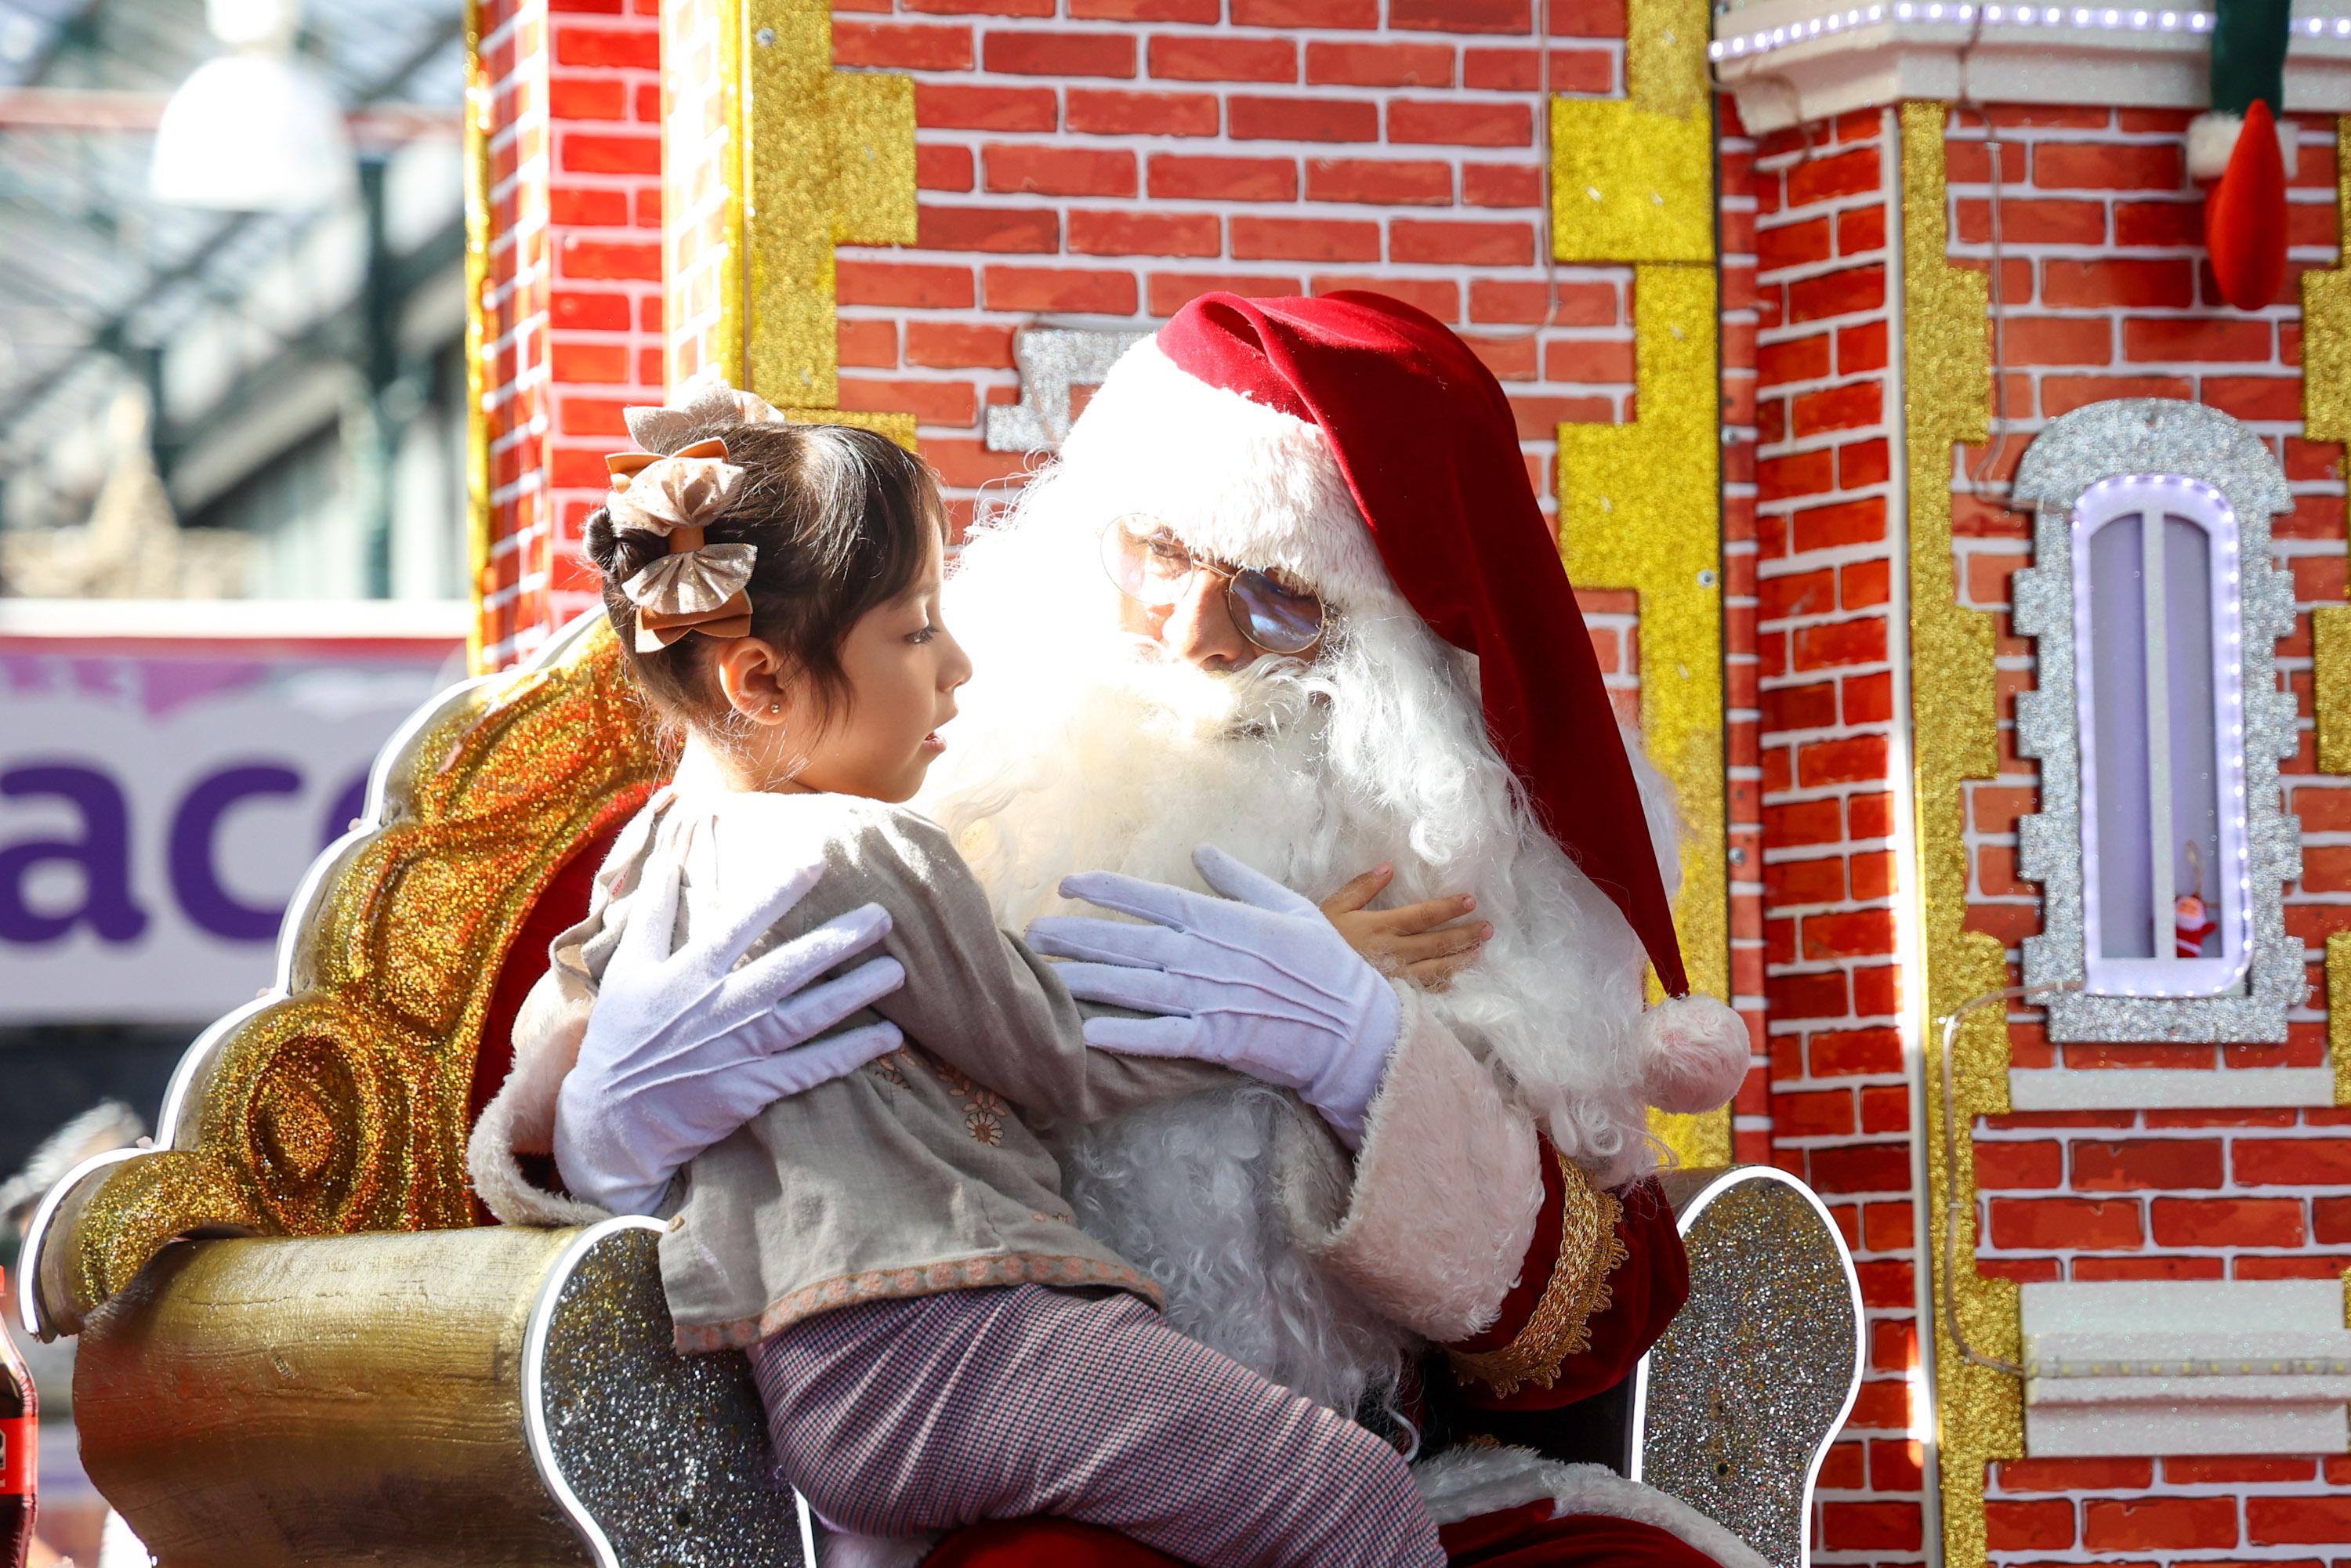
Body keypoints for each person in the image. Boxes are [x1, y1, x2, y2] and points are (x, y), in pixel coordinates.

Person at [485, 295, 1766, 1568]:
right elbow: (590, 1039)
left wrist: (1371, 1058)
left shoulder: (1465, 870)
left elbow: (1603, 1313)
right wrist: (599, 1129)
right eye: (1159, 552)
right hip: (1032, 1475)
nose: (1197, 633)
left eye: (1276, 599)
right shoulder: (899, 774)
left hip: (1387, 1471)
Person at [471, 388, 1448, 1566]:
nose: (960, 665)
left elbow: (559, 1018)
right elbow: (1059, 1048)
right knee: (1355, 1498)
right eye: (916, 629)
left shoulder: (656, 849)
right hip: (940, 1338)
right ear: (762, 683)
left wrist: (579, 1103)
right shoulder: (866, 850)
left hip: (823, 1371)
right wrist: (1284, 970)